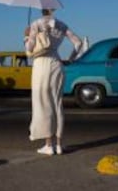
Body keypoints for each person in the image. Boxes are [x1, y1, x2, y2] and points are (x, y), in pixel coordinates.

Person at [24, 8, 82, 155]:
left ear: (41, 9)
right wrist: (71, 59)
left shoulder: (36, 24)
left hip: (41, 65)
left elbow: (29, 48)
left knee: (43, 104)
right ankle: (59, 145)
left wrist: (26, 36)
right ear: (53, 9)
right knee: (57, 104)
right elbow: (78, 43)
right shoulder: (62, 25)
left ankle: (48, 145)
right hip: (57, 64)